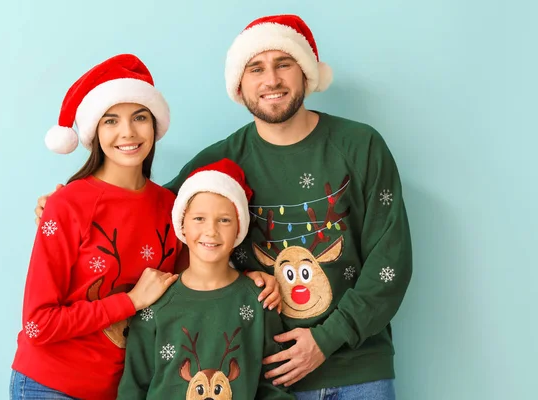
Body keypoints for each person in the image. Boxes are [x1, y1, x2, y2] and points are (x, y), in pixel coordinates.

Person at [36, 14, 413, 399]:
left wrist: (326, 339)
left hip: (357, 372)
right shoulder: (220, 161)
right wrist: (68, 203)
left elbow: (390, 263)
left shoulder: (360, 146)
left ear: (306, 73)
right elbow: (146, 210)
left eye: (284, 64)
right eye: (256, 68)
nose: (271, 80)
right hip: (256, 379)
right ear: (239, 83)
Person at [10, 54, 183, 400]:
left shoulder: (172, 207)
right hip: (50, 387)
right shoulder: (66, 206)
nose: (128, 132)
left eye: (140, 117)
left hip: (126, 391)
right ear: (94, 132)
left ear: (156, 125)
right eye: (111, 121)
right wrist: (130, 302)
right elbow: (38, 323)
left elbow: (190, 290)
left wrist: (252, 278)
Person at [117, 158, 294, 399]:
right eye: (199, 218)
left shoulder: (260, 300)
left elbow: (273, 387)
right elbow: (133, 388)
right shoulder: (155, 303)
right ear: (182, 224)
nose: (211, 230)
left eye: (224, 220)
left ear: (239, 228)